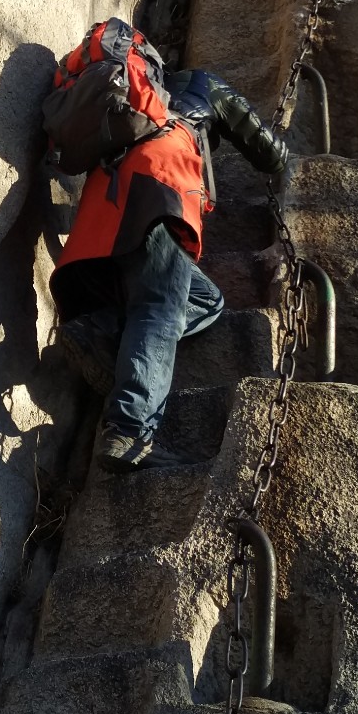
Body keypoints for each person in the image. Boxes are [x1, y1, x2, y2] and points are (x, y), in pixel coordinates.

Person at [50, 54, 288, 470]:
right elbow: (269, 153)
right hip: (158, 187)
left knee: (207, 300)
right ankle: (129, 430)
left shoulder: (132, 105)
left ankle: (103, 330)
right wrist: (291, 157)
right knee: (158, 310)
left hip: (103, 207)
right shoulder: (205, 84)